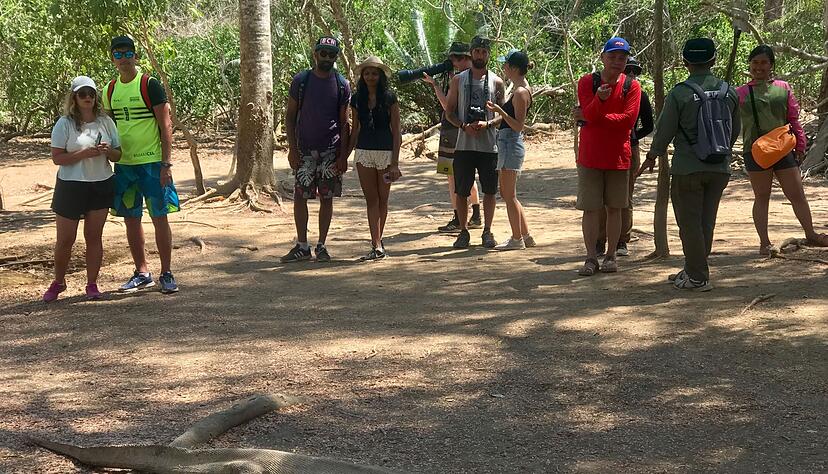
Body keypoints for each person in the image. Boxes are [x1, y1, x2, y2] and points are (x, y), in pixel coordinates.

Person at [639, 38, 740, 291]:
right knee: (707, 220)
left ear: (685, 63)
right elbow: (735, 130)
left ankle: (697, 276)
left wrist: (653, 155)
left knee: (689, 223)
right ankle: (694, 267)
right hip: (720, 167)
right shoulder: (730, 92)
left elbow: (665, 130)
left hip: (688, 167)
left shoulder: (680, 93)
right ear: (714, 60)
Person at [103, 35, 180, 294]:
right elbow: (109, 127)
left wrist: (166, 164)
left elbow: (165, 125)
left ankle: (166, 273)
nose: (123, 59)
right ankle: (142, 271)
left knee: (160, 217)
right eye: (118, 54)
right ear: (112, 59)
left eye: (128, 54)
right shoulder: (110, 90)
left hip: (152, 165)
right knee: (131, 219)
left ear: (135, 56)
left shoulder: (149, 85)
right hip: (125, 167)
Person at [736, 44, 828, 254]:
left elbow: (793, 119)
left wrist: (801, 145)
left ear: (771, 65)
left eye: (763, 63)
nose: (759, 67)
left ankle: (811, 234)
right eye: (755, 63)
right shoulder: (738, 93)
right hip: (755, 151)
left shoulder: (783, 88)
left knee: (797, 194)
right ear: (749, 65)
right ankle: (764, 243)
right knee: (762, 197)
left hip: (783, 149)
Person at [43, 76, 122, 302]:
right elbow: (57, 158)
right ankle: (59, 282)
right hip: (71, 186)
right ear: (74, 97)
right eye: (82, 94)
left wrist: (108, 151)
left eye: (91, 94)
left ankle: (92, 284)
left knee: (94, 237)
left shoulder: (106, 122)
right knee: (65, 240)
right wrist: (83, 154)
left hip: (101, 183)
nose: (88, 98)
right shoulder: (64, 123)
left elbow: (119, 154)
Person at [573, 37, 641, 275]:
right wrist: (599, 102)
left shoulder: (631, 86)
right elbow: (589, 114)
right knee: (590, 208)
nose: (617, 62)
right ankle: (591, 257)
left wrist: (595, 116)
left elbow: (628, 122)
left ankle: (611, 255)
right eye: (612, 57)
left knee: (615, 208)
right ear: (602, 57)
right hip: (590, 157)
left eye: (622, 58)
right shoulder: (586, 83)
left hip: (618, 158)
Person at [282, 37, 351, 263]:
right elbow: (290, 116)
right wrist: (292, 149)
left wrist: (343, 155)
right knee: (300, 196)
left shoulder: (342, 84)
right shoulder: (302, 81)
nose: (327, 58)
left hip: (330, 149)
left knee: (327, 197)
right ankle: (302, 245)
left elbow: (344, 122)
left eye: (332, 54)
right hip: (304, 149)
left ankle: (322, 245)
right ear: (315, 54)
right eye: (324, 53)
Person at [445, 36, 506, 249]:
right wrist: (463, 126)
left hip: (489, 145)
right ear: (471, 53)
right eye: (477, 51)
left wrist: (487, 124)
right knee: (461, 191)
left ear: (489, 55)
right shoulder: (458, 80)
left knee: (489, 190)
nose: (480, 55)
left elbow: (503, 114)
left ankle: (487, 231)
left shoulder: (497, 81)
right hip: (463, 145)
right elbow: (449, 112)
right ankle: (463, 231)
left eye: (484, 52)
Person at [422, 42, 483, 233]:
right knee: (467, 174)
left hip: (453, 129)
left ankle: (458, 217)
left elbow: (447, 105)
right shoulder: (477, 77)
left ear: (466, 58)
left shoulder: (459, 79)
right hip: (468, 129)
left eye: (455, 59)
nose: (453, 63)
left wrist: (435, 85)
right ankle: (475, 214)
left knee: (453, 176)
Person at [345, 56, 402, 260]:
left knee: (383, 198)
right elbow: (354, 129)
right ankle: (375, 243)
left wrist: (395, 162)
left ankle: (379, 240)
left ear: (380, 76)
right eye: (367, 73)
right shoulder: (356, 99)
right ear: (362, 75)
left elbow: (396, 131)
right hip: (363, 153)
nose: (370, 76)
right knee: (371, 199)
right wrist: (344, 155)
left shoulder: (389, 98)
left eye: (374, 73)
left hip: (386, 154)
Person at [597, 56, 654, 257]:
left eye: (635, 72)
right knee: (601, 197)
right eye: (628, 70)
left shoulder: (641, 95)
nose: (631, 75)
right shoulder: (603, 92)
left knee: (624, 197)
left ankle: (622, 240)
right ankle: (599, 240)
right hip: (602, 148)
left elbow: (649, 125)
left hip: (629, 149)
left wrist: (632, 136)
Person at [486, 49, 536, 250]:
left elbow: (518, 125)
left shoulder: (521, 92)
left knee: (508, 195)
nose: (504, 68)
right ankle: (525, 235)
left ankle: (517, 239)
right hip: (507, 141)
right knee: (510, 194)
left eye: (506, 65)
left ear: (514, 68)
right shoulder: (518, 88)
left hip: (511, 142)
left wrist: (499, 111)